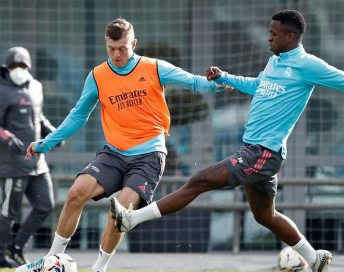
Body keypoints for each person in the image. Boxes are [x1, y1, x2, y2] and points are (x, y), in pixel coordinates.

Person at [110, 10, 344, 272]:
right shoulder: (274, 62)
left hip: (263, 154)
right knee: (266, 215)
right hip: (254, 151)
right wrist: (224, 77)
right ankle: (314, 258)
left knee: (199, 180)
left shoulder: (308, 65)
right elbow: (258, 86)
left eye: (273, 34)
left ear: (291, 36)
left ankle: (132, 219)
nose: (268, 38)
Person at [21, 18, 228, 272]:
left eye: (123, 48)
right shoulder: (97, 76)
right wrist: (45, 143)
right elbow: (78, 115)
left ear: (134, 43)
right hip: (114, 154)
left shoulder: (154, 67)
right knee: (76, 192)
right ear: (106, 45)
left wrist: (217, 83)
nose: (117, 54)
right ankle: (52, 261)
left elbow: (193, 81)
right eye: (111, 49)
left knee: (118, 213)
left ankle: (99, 268)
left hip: (149, 156)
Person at [0, 47, 58, 268]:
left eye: (22, 66)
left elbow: (38, 117)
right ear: (6, 68)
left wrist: (52, 134)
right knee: (8, 212)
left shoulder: (36, 87)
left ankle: (17, 246)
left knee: (46, 205)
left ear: (29, 67)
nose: (18, 70)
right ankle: (0, 254)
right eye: (14, 66)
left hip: (37, 162)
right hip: (12, 163)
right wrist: (7, 137)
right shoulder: (2, 90)